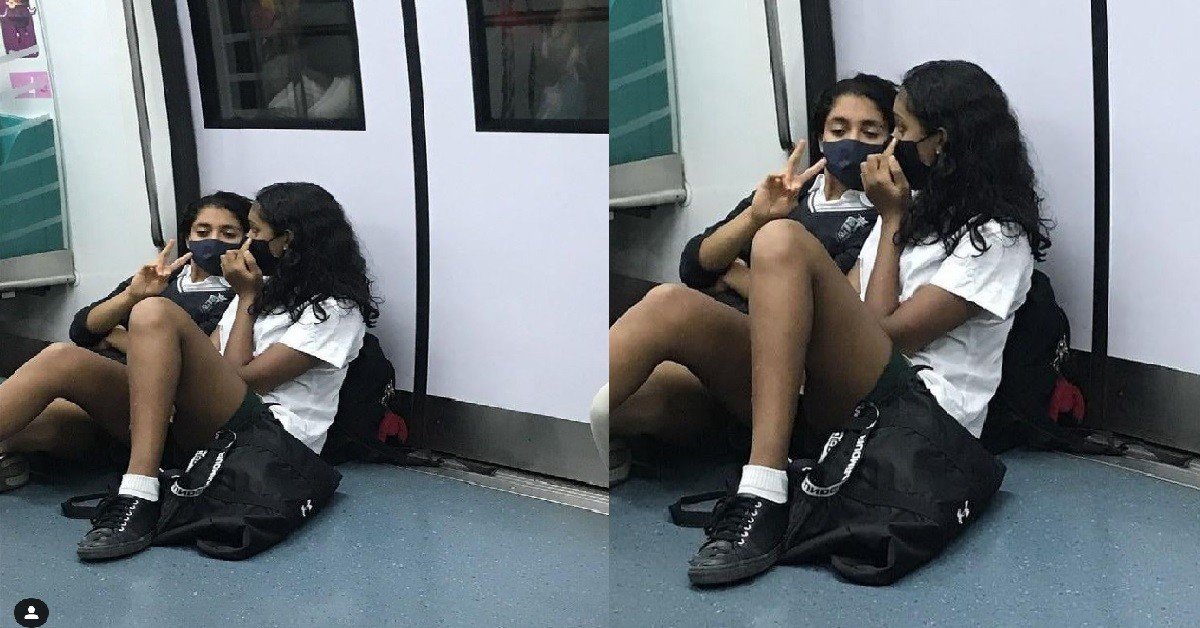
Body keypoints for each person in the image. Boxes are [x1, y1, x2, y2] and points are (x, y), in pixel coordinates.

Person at [685, 60, 1051, 585]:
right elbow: (850, 309)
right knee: (671, 305)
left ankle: (762, 489)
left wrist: (893, 221)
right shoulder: (915, 207)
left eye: (900, 130)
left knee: (781, 240)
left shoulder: (997, 237)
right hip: (861, 393)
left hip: (924, 417)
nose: (889, 147)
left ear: (940, 142)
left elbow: (884, 332)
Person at [0, 182, 377, 561]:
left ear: (286, 241)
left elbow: (242, 377)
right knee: (62, 358)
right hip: (208, 425)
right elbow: (205, 360)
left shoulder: (335, 309)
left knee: (154, 312)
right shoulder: (265, 287)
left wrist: (246, 299)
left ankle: (138, 490)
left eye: (254, 231)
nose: (247, 242)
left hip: (269, 441)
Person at [595, 74, 899, 482]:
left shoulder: (880, 215)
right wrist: (755, 217)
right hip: (725, 350)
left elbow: (826, 318)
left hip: (788, 374)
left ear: (890, 141)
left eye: (869, 132)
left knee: (669, 305)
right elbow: (696, 265)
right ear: (821, 136)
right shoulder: (795, 192)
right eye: (839, 129)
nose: (851, 141)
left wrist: (737, 274)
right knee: (622, 395)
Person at [0, 192, 252, 491]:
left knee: (59, 361)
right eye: (203, 231)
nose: (213, 241)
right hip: (108, 392)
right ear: (188, 236)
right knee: (26, 417)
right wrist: (132, 295)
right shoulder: (167, 277)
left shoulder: (239, 293)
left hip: (161, 408)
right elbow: (83, 329)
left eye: (228, 234)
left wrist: (118, 336)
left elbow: (195, 367)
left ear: (246, 240)